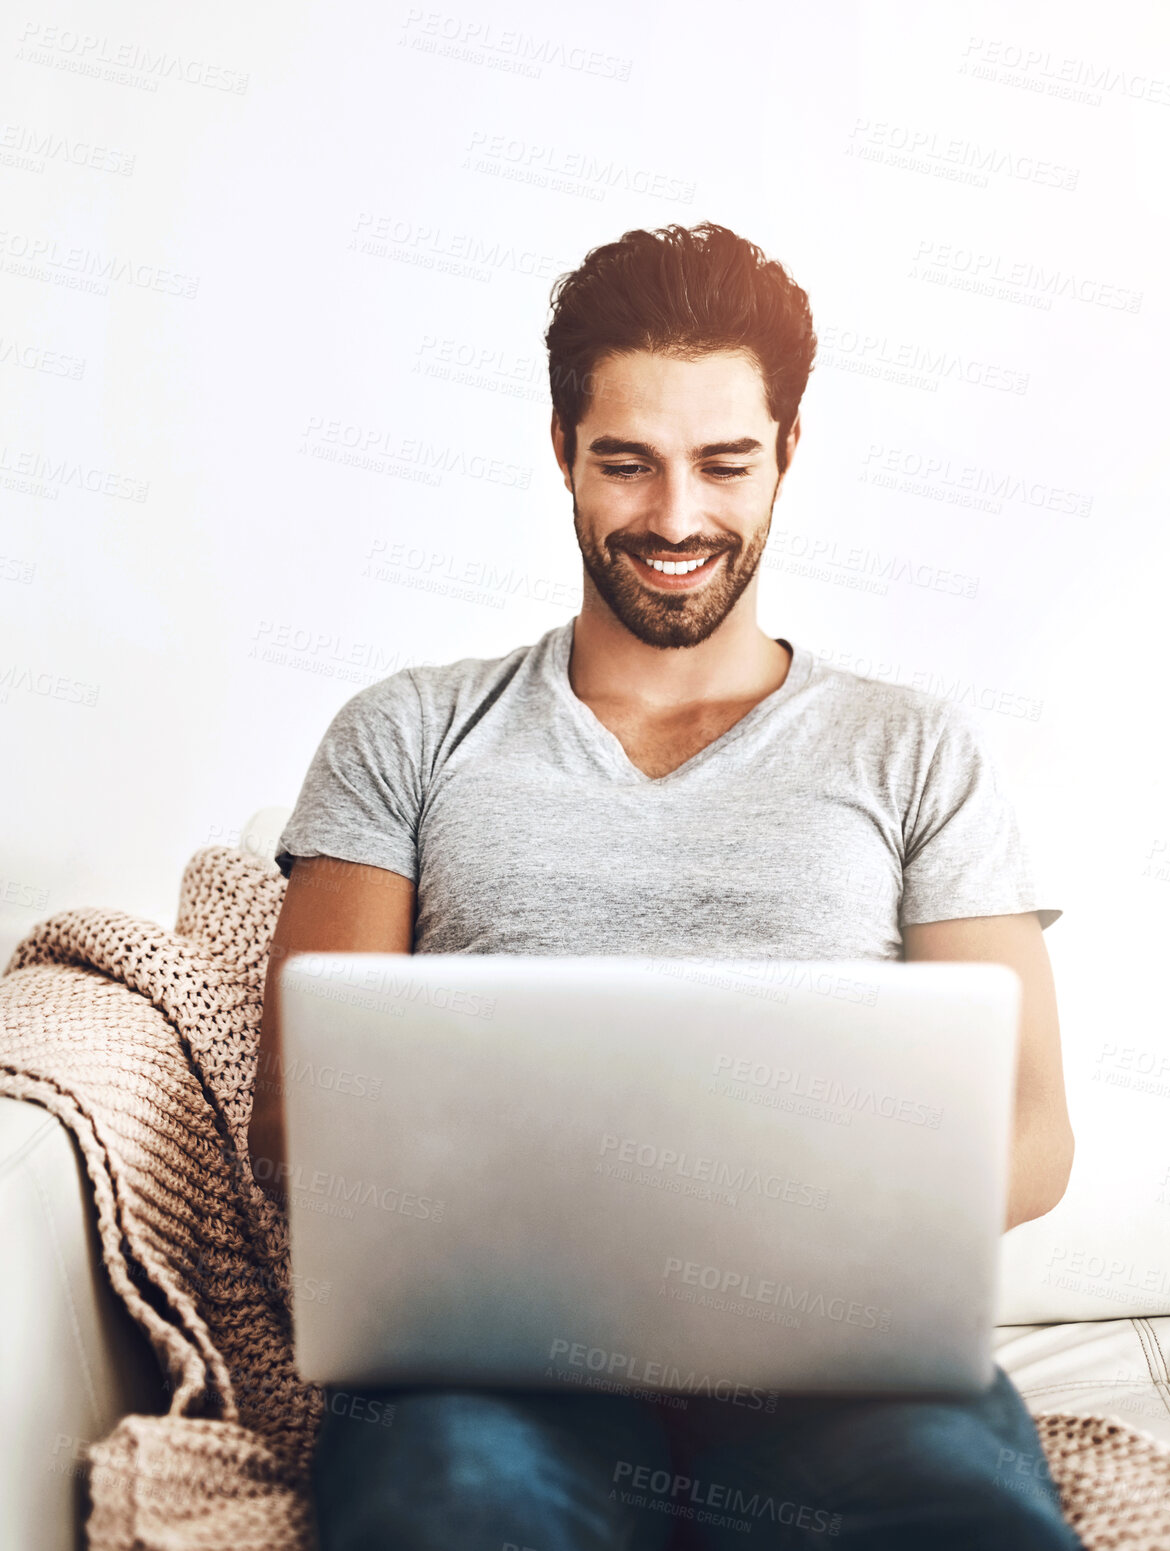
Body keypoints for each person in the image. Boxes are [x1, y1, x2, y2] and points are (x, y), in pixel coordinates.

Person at [249, 222, 1082, 1548]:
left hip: (836, 1359)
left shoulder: (915, 750)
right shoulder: (406, 731)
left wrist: (788, 1222)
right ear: (561, 451)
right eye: (625, 463)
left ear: (788, 456)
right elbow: (299, 1113)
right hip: (492, 1361)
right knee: (459, 1515)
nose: (676, 518)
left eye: (724, 464)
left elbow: (1033, 1130)